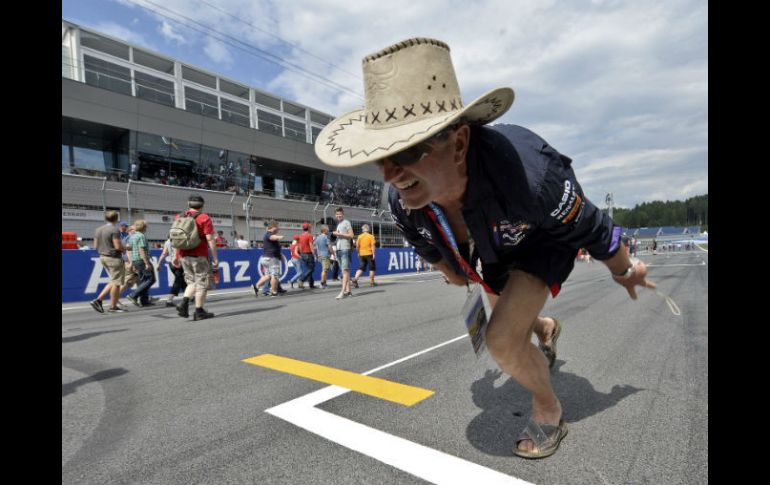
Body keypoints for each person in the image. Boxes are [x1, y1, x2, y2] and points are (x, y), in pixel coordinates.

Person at [313, 37, 655, 459]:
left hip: (540, 243)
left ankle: (549, 409)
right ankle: (543, 327)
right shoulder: (401, 202)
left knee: (502, 340)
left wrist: (625, 271)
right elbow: (441, 260)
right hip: (485, 252)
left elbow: (595, 229)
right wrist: (456, 275)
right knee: (500, 306)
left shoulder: (531, 177)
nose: (389, 174)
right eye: (380, 156)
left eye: (407, 152)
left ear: (458, 143)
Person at [176, 194, 218, 321]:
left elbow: (176, 237)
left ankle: (184, 302)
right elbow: (210, 239)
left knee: (191, 281)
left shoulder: (180, 216)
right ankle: (199, 311)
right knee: (202, 283)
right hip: (199, 255)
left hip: (184, 254)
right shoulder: (204, 218)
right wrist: (215, 257)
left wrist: (176, 255)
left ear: (188, 204)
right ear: (202, 205)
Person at [90, 210, 127, 313]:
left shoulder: (98, 229)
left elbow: (95, 246)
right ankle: (112, 306)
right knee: (117, 283)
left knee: (114, 280)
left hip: (103, 256)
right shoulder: (114, 230)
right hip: (114, 257)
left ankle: (99, 300)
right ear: (116, 218)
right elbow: (117, 246)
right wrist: (126, 248)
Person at [126, 220, 156, 307]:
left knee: (143, 280)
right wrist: (147, 263)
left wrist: (132, 263)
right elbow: (141, 250)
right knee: (151, 279)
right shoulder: (141, 236)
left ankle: (144, 301)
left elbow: (129, 250)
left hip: (136, 260)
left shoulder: (132, 236)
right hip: (142, 260)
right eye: (146, 226)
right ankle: (133, 295)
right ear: (143, 227)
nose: (147, 228)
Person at [253, 219, 284, 297]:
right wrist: (279, 237)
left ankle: (256, 287)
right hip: (271, 259)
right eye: (277, 227)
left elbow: (274, 247)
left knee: (268, 276)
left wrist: (281, 256)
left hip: (266, 259)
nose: (278, 229)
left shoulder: (267, 234)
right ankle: (274, 292)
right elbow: (272, 237)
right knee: (275, 276)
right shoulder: (268, 234)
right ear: (274, 227)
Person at [156, 237, 186, 307]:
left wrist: (159, 263)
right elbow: (177, 251)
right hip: (177, 262)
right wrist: (176, 260)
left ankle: (189, 296)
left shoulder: (167, 241)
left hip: (170, 263)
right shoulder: (177, 239)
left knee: (181, 280)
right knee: (178, 281)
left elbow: (164, 253)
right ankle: (169, 300)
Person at [331, 207, 354, 299]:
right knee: (345, 271)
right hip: (339, 249)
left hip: (345, 248)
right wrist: (335, 235)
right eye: (337, 214)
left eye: (340, 214)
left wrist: (339, 234)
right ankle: (349, 291)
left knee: (344, 271)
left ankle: (342, 292)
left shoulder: (346, 222)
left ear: (343, 214)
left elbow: (351, 235)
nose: (338, 215)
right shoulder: (339, 224)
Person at [298, 222, 317, 289]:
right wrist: (314, 254)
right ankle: (301, 279)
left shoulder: (300, 236)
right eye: (310, 227)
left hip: (303, 254)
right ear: (308, 228)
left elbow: (299, 246)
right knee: (311, 269)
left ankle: (311, 284)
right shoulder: (309, 235)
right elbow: (311, 245)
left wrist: (301, 253)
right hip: (308, 254)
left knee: (309, 269)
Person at [315, 224, 332, 289]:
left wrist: (318, 255)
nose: (328, 231)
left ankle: (324, 283)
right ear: (325, 230)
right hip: (325, 255)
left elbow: (317, 247)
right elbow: (329, 246)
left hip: (320, 255)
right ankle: (322, 283)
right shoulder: (326, 237)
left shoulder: (318, 237)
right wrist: (333, 253)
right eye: (328, 229)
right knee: (325, 270)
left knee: (324, 269)